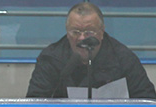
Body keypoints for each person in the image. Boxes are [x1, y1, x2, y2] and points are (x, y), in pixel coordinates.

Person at [26, 1, 155, 99]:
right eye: (75, 32)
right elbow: (34, 103)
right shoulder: (51, 59)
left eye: (89, 32)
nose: (82, 38)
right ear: (67, 32)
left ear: (102, 32)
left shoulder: (123, 58)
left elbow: (148, 101)